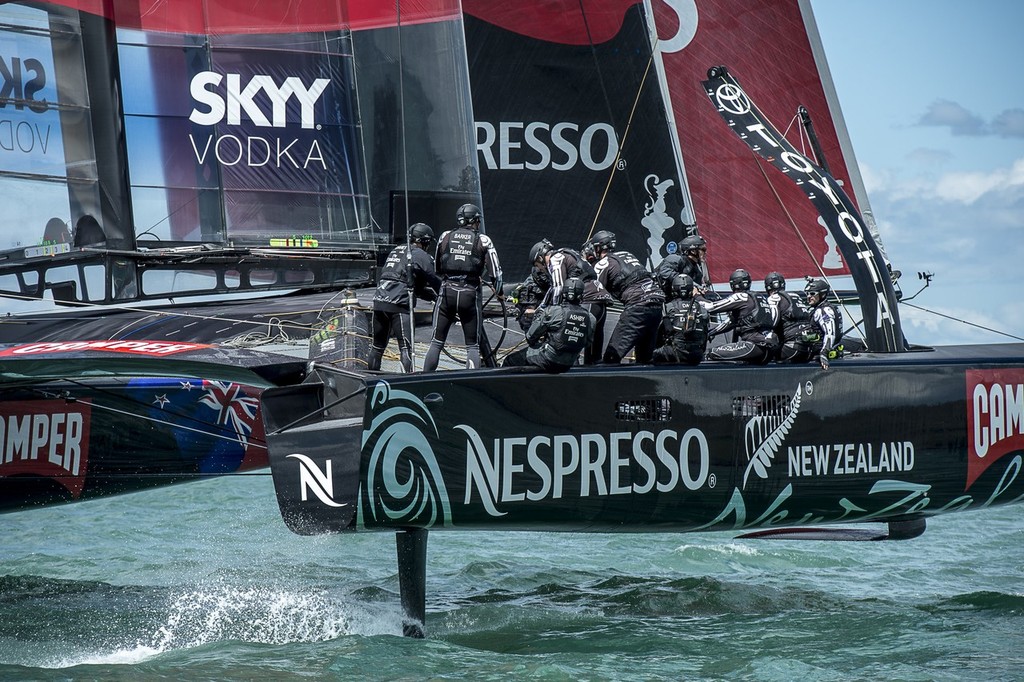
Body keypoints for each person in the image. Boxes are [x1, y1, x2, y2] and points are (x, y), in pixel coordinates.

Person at [422, 203, 502, 371]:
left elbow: (437, 267)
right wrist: (499, 292)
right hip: (470, 294)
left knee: (436, 342)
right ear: (474, 221)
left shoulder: (445, 236)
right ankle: (471, 382)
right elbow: (496, 274)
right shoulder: (483, 239)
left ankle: (424, 378)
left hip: (447, 291)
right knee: (472, 346)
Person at [367, 223, 441, 372]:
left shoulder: (396, 250)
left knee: (377, 346)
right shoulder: (420, 255)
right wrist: (443, 296)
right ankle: (406, 381)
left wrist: (430, 296)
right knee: (406, 348)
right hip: (399, 305)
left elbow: (412, 285)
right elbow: (435, 279)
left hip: (379, 302)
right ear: (425, 241)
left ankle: (372, 378)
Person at [531, 238, 613, 365]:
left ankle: (575, 373)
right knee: (594, 351)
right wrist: (542, 306)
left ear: (540, 258)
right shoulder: (569, 254)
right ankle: (594, 375)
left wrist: (552, 313)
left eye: (537, 265)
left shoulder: (555, 258)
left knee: (571, 340)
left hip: (588, 300)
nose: (541, 269)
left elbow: (558, 287)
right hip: (599, 301)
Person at [589, 230, 665, 364]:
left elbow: (595, 291)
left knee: (611, 358)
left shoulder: (603, 263)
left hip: (638, 307)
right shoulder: (627, 254)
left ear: (598, 248)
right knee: (645, 359)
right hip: (657, 305)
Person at [501, 277, 595, 373]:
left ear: (563, 293)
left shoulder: (553, 311)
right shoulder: (591, 318)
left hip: (549, 359)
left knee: (509, 361)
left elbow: (530, 336)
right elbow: (587, 342)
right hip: (570, 362)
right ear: (581, 295)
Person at [703, 268, 777, 364]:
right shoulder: (760, 298)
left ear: (733, 284)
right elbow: (732, 322)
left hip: (753, 346)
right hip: (769, 349)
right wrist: (711, 333)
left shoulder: (740, 296)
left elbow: (710, 307)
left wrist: (696, 297)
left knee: (711, 353)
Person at [653, 274, 710, 365]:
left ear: (674, 289)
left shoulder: (668, 307)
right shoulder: (702, 309)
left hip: (674, 353)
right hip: (696, 355)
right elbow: (705, 334)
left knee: (651, 354)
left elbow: (657, 334)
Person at [763, 271, 814, 363]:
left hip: (792, 349)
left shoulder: (773, 298)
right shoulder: (796, 296)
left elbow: (772, 323)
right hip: (809, 349)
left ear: (767, 287)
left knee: (761, 354)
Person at [804, 278, 844, 370]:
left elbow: (830, 333)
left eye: (813, 293)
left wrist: (824, 354)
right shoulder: (831, 307)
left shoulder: (823, 311)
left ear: (822, 294)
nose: (809, 296)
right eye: (807, 293)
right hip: (833, 350)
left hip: (821, 354)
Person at [656, 234, 710, 299]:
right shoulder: (675, 259)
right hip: (664, 299)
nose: (705, 252)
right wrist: (690, 284)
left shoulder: (697, 268)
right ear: (693, 251)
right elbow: (664, 272)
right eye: (703, 249)